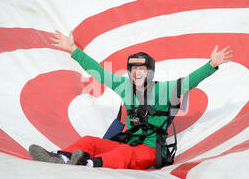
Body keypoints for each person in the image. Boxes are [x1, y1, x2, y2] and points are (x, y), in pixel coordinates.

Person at [29, 30, 233, 170]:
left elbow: (189, 82)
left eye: (141, 69)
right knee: (90, 141)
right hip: (127, 142)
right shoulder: (124, 86)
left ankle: (86, 164)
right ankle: (61, 157)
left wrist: (212, 65)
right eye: (134, 69)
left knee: (124, 154)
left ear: (150, 72)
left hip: (150, 150)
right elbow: (98, 72)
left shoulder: (165, 90)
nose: (137, 73)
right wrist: (73, 49)